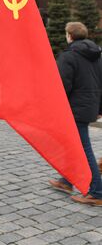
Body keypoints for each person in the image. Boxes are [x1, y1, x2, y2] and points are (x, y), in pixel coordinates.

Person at [48, 22, 102, 206]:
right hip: (89, 107)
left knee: (84, 148)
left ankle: (97, 191)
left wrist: (55, 108)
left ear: (70, 36)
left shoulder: (69, 56)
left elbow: (62, 86)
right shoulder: (97, 56)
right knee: (73, 145)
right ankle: (66, 181)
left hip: (74, 109)